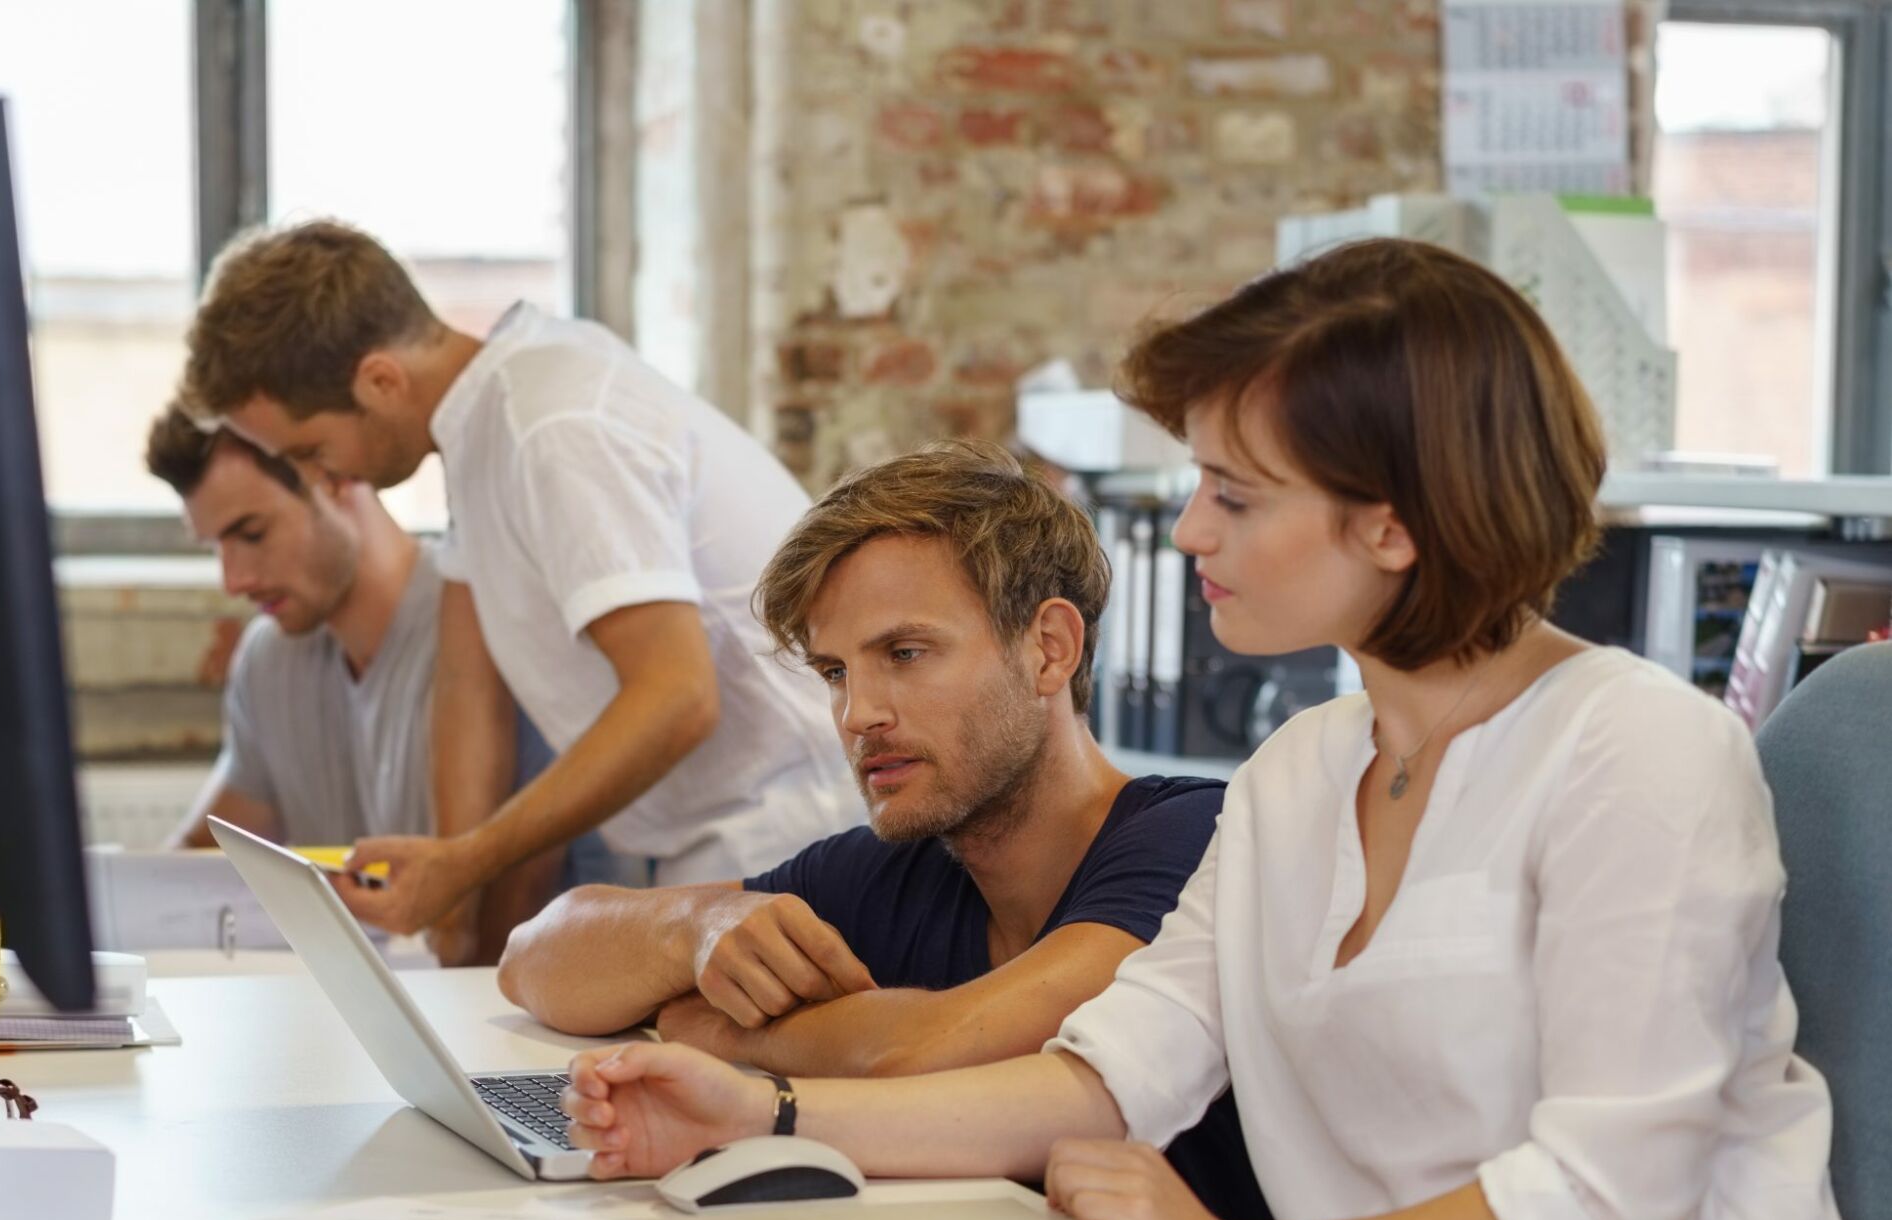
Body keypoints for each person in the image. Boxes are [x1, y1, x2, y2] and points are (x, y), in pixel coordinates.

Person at [548, 239, 1874, 1220]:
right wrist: (769, 1114)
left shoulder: (1636, 750)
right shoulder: (1297, 772)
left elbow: (1603, 1203)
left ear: (1392, 521)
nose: (1189, 531)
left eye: (1233, 494)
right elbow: (1101, 1077)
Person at [177, 221, 862, 943]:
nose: (323, 477)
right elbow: (469, 686)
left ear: (380, 379)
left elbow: (678, 697)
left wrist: (466, 860)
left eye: (312, 449)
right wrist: (451, 910)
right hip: (718, 835)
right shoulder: (480, 427)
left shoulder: (551, 424)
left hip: (793, 829)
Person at [497, 442, 1225, 1081]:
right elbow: (530, 962)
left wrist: (722, 1030)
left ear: (1049, 649)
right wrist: (697, 923)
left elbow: (927, 1048)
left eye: (905, 654)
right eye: (836, 672)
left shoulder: (1194, 840)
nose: (858, 715)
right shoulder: (885, 872)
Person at [143, 404, 556, 957]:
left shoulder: (482, 632)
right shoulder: (269, 658)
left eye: (252, 533)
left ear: (336, 477)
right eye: (216, 546)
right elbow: (197, 858)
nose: (233, 579)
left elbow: (506, 926)